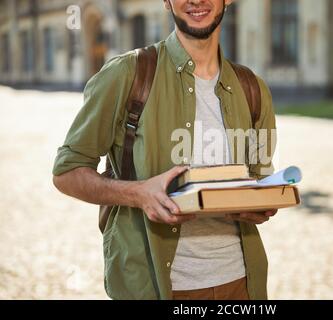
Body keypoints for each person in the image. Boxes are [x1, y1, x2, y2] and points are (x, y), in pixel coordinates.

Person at [52, 0, 277, 300]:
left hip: (241, 284)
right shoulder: (126, 75)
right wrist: (139, 193)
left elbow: (261, 181)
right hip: (153, 286)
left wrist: (262, 201)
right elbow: (66, 171)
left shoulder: (254, 90)